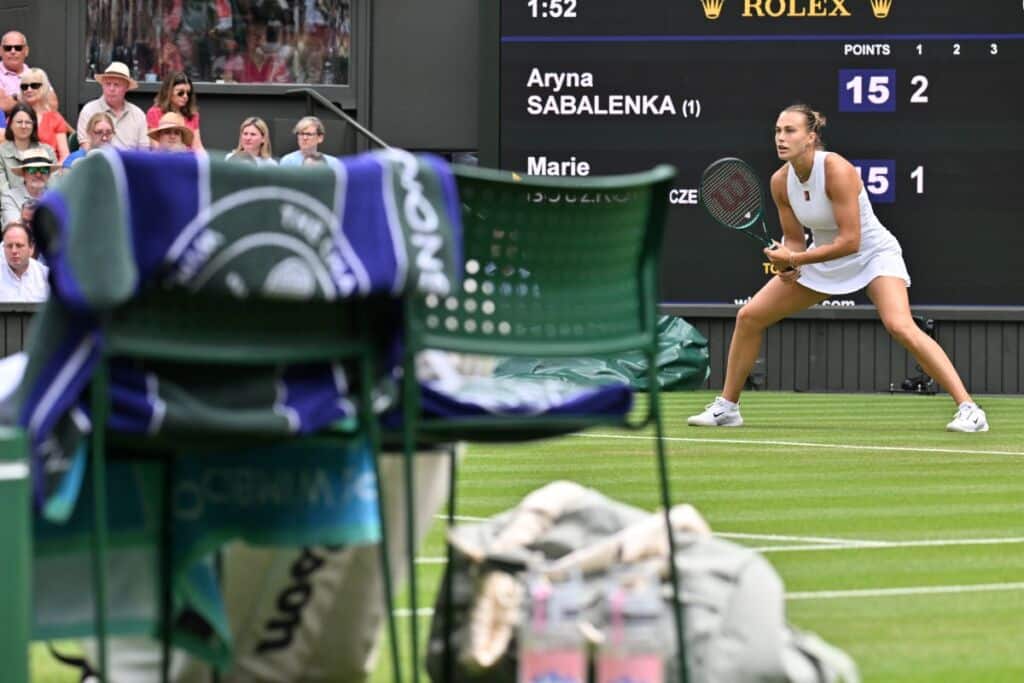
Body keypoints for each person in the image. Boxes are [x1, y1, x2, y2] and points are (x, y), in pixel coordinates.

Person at [687, 103, 989, 433]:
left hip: (872, 255)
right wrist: (789, 264)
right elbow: (795, 240)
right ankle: (728, 408)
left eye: (790, 131)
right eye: (777, 131)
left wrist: (795, 260)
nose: (780, 138)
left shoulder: (836, 170)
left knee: (899, 324)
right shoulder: (780, 182)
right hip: (822, 257)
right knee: (749, 316)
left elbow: (850, 242)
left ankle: (970, 410)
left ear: (811, 137)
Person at [76, 61, 149, 151]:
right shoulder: (88, 110)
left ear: (126, 87)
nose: (111, 89)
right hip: (99, 159)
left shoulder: (138, 114)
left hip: (129, 160)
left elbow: (144, 150)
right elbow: (85, 146)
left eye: (116, 85)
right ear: (102, 85)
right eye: (108, 84)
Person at [0, 104, 56, 193]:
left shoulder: (47, 151)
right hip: (10, 201)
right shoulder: (1, 152)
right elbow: (3, 190)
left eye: (28, 122)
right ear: (10, 125)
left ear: (34, 125)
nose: (23, 126)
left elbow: (54, 186)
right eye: (19, 122)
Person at [0, 31, 58, 114]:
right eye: (7, 48)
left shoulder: (36, 74)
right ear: (0, 51)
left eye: (18, 48)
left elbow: (52, 105)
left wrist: (15, 98)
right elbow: (3, 105)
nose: (13, 51)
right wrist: (35, 98)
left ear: (26, 51)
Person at [19, 68, 70, 162]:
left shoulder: (55, 118)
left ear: (44, 87)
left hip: (50, 167)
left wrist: (57, 170)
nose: (28, 90)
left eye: (34, 85)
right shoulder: (15, 118)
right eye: (24, 87)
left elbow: (64, 155)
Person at [145, 71, 204, 151]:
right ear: (168, 91)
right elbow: (156, 146)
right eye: (181, 92)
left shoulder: (193, 114)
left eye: (188, 93)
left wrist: (203, 157)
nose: (185, 96)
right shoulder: (154, 112)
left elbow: (197, 146)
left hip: (187, 157)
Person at [1, 146, 56, 226]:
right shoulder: (10, 197)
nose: (38, 174)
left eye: (43, 170)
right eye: (32, 170)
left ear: (48, 174)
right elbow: (15, 228)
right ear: (24, 174)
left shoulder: (56, 198)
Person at [0, 220, 48, 302]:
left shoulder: (45, 276)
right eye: (9, 246)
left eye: (19, 245)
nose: (14, 251)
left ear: (31, 248)